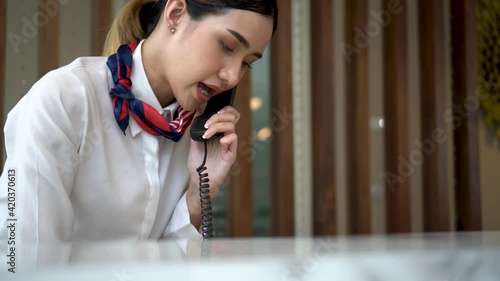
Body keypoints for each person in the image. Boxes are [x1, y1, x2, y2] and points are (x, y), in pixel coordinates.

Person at [0, 0, 278, 242]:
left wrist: (198, 194)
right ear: (176, 14)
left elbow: (164, 266)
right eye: (227, 46)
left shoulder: (199, 136)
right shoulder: (64, 99)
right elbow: (24, 258)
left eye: (247, 62)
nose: (233, 77)